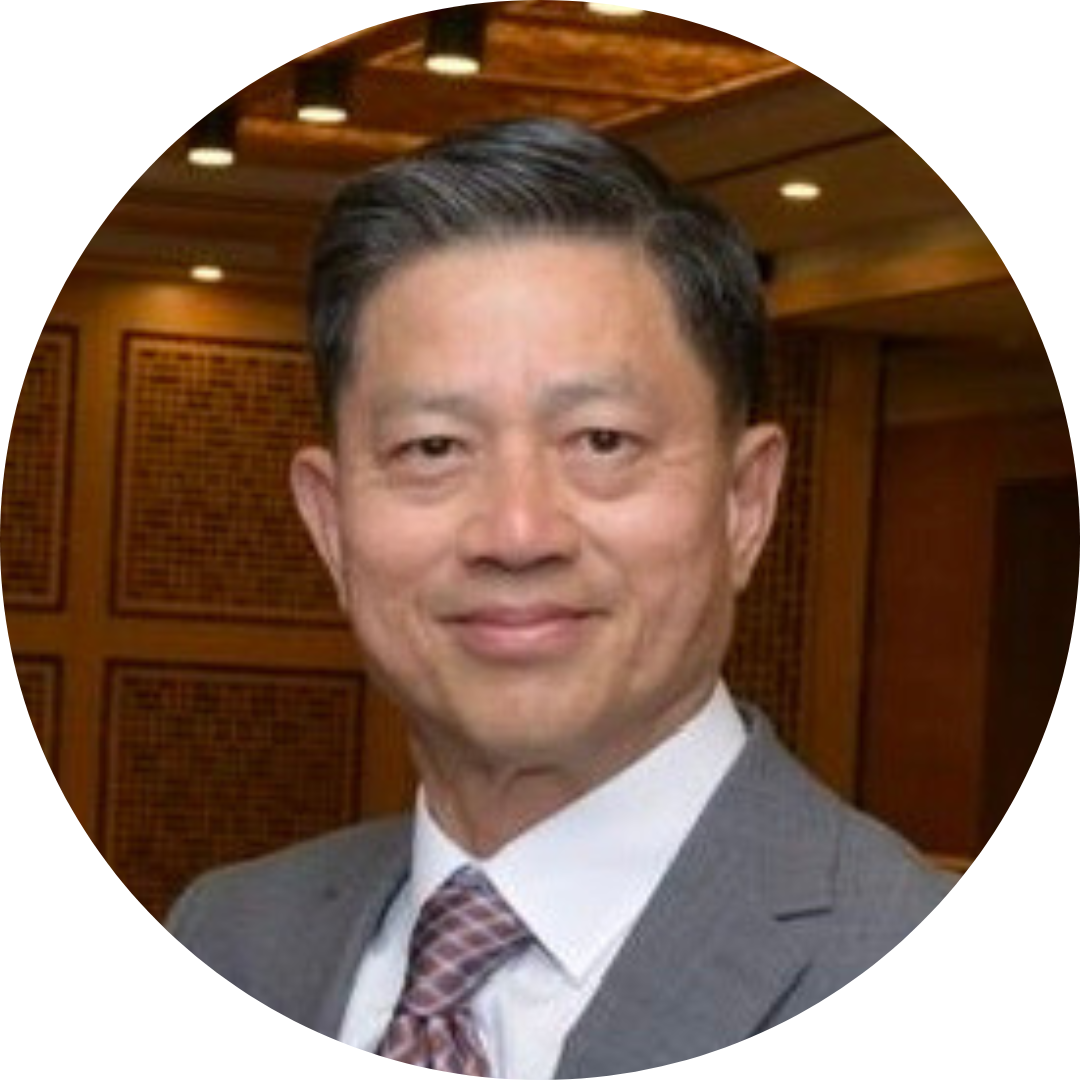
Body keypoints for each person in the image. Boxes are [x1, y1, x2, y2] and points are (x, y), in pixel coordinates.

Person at [167, 117, 954, 1078]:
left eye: (602, 442)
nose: (517, 532)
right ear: (331, 525)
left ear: (746, 504)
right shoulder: (227, 940)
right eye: (433, 448)